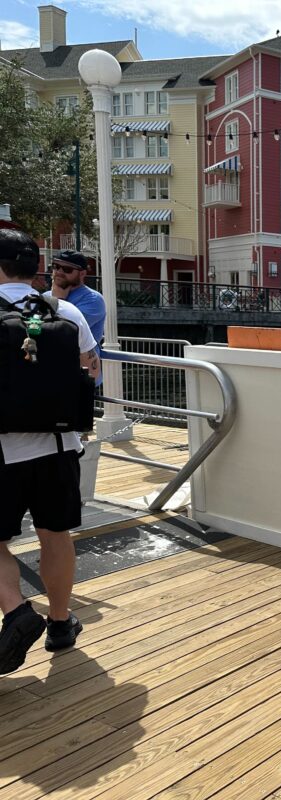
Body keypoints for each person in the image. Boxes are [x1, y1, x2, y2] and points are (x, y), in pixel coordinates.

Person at [0, 229, 99, 673]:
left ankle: (18, 612)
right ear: (35, 267)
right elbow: (90, 371)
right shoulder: (66, 310)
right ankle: (60, 623)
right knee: (54, 535)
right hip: (60, 445)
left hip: (2, 450)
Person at [45, 250, 106, 387]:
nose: (59, 272)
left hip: (80, 377)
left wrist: (57, 299)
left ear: (82, 273)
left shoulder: (93, 299)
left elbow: (63, 329)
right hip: (49, 373)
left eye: (67, 269)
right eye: (55, 266)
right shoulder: (46, 295)